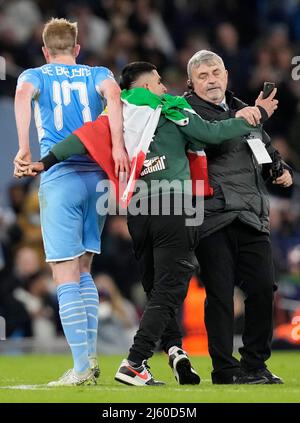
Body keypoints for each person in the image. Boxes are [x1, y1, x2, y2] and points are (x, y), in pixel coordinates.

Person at [18, 61, 278, 386]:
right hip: (175, 205)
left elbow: (77, 141)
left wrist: (41, 163)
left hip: (138, 212)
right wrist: (257, 116)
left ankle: (172, 349)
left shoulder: (116, 116)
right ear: (144, 88)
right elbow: (212, 134)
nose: (163, 88)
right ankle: (135, 361)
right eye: (157, 82)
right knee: (172, 286)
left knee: (156, 288)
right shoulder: (170, 110)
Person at [14, 18, 129, 387]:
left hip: (60, 179)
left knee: (63, 274)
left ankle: (82, 367)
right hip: (96, 180)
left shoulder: (36, 74)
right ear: (77, 49)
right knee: (84, 272)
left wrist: (24, 148)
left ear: (45, 51)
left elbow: (21, 96)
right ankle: (89, 359)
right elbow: (115, 96)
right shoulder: (97, 73)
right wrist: (118, 147)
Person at [185, 50, 293, 384]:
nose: (211, 79)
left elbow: (265, 150)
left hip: (251, 213)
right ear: (191, 83)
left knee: (263, 289)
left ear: (227, 74)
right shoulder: (185, 111)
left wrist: (278, 168)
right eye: (202, 76)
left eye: (215, 72)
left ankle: (254, 365)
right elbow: (211, 139)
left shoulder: (242, 109)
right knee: (219, 295)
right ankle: (224, 369)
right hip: (212, 215)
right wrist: (253, 114)